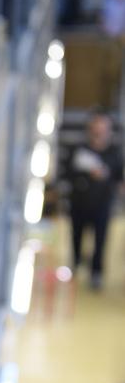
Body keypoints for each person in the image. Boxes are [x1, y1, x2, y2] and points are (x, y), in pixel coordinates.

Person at [61, 108, 123, 289]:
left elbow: (118, 178)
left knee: (101, 239)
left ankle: (96, 273)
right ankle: (75, 265)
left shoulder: (114, 153)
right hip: (79, 201)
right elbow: (67, 174)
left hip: (103, 203)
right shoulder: (78, 150)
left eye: (103, 126)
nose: (99, 130)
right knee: (76, 235)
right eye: (96, 125)